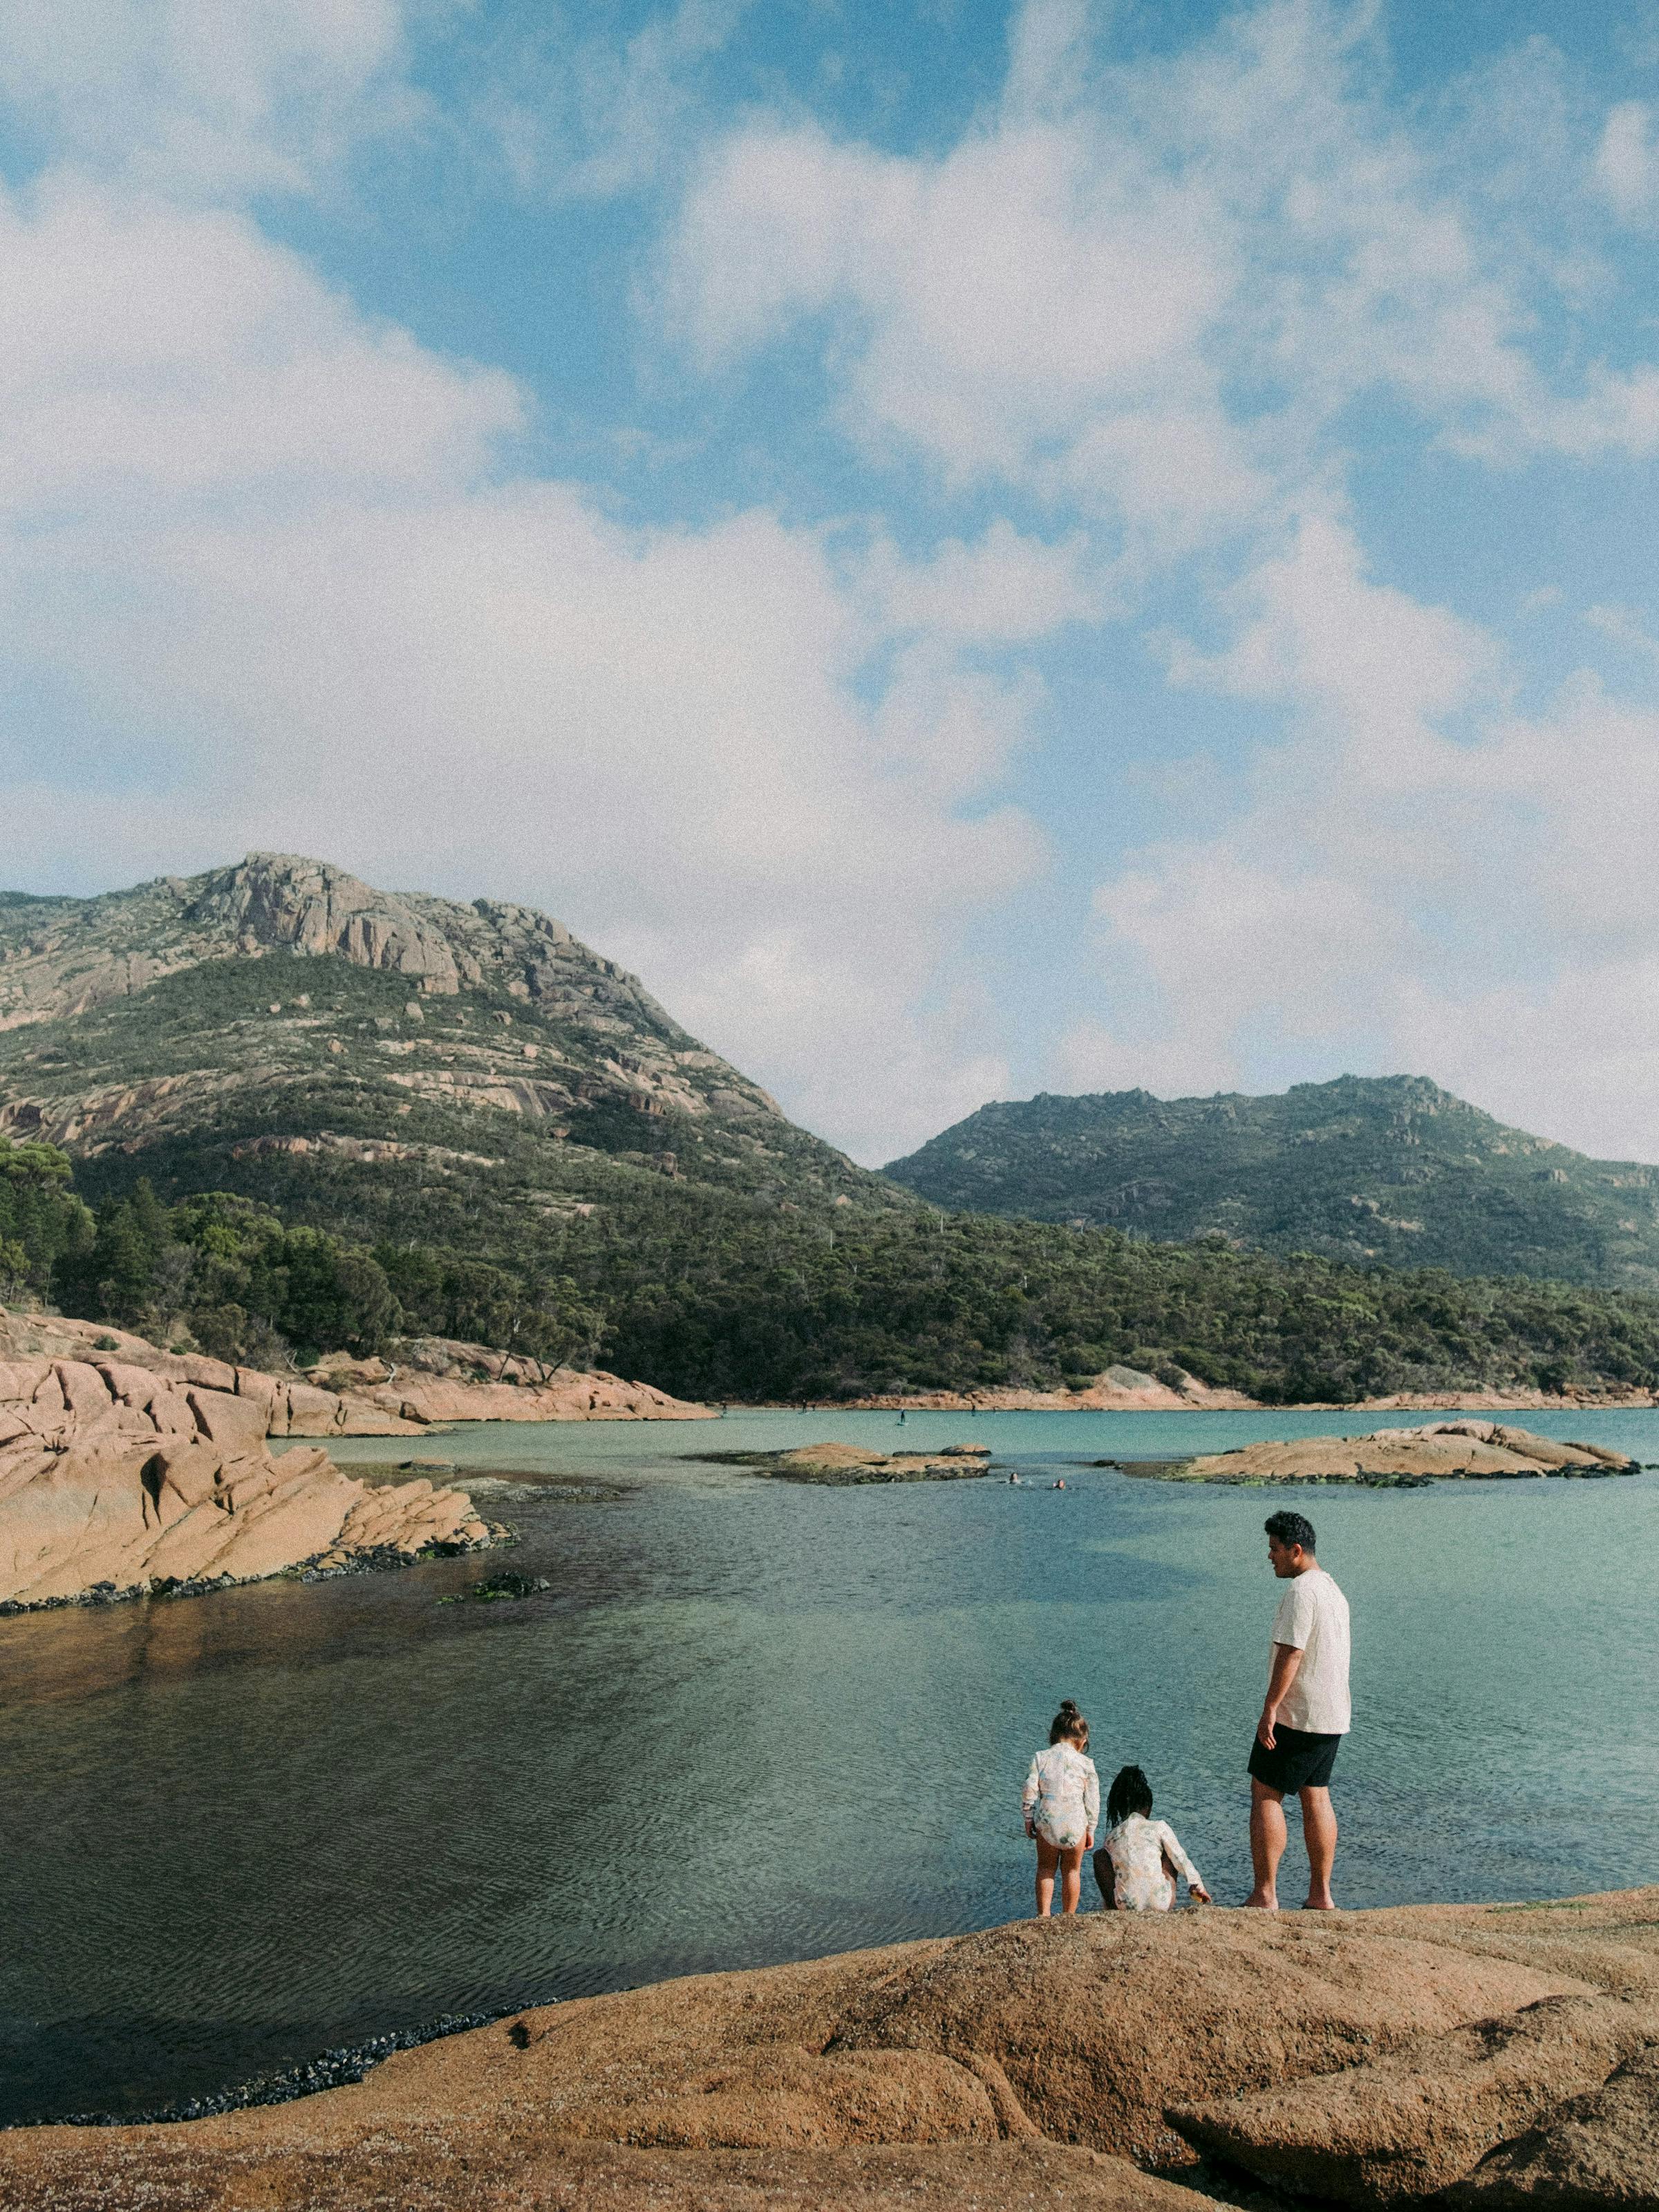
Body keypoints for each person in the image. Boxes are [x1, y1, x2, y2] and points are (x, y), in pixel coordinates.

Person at [1246, 1509, 1351, 1911]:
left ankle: (1265, 1893)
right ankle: (1320, 1895)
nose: (1269, 1556)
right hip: (1332, 1714)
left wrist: (1270, 1708)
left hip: (1299, 1713)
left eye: (1274, 1549)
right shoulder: (1333, 1590)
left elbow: (1292, 1653)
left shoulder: (1301, 1592)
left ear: (1296, 1550)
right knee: (1316, 1795)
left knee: (1265, 1792)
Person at [1094, 1765, 1212, 1911]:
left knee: (1100, 1856)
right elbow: (1181, 1858)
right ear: (1148, 1808)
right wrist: (1197, 1885)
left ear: (1119, 1809)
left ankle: (1112, 1907)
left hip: (1126, 1905)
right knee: (1170, 1856)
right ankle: (1156, 1900)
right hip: (1160, 1904)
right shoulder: (1160, 1827)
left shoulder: (1113, 1836)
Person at [1022, 1700, 1100, 1917]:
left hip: (1048, 1821)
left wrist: (1029, 1817)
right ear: (1083, 1742)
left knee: (1046, 1869)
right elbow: (1093, 1800)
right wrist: (1091, 1829)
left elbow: (1029, 1789)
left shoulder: (1041, 1758)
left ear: (1053, 1735)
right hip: (1076, 1825)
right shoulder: (1086, 1764)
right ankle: (1069, 1916)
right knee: (1072, 1871)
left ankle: (1044, 1915)